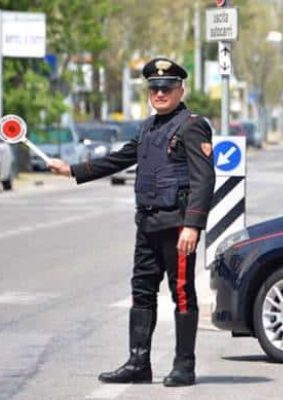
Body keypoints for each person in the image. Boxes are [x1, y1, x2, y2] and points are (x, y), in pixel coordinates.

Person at [47, 57, 216, 386]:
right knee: (141, 292)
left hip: (178, 226)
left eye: (166, 88)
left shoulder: (192, 125)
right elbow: (120, 158)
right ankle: (139, 363)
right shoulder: (148, 127)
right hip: (148, 224)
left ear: (180, 89)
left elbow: (204, 179)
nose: (159, 93)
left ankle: (184, 365)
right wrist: (72, 170)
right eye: (154, 88)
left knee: (181, 293)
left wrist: (193, 225)